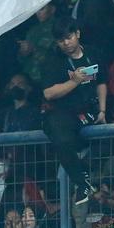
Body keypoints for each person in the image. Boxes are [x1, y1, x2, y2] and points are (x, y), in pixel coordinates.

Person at [41, 18, 105, 206]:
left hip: (91, 112)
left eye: (68, 37)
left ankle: (84, 180)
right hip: (65, 114)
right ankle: (82, 184)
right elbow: (48, 93)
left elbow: (102, 82)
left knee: (109, 139)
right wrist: (74, 81)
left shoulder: (93, 53)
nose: (66, 43)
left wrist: (102, 110)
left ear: (77, 33)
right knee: (60, 136)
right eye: (61, 40)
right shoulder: (53, 60)